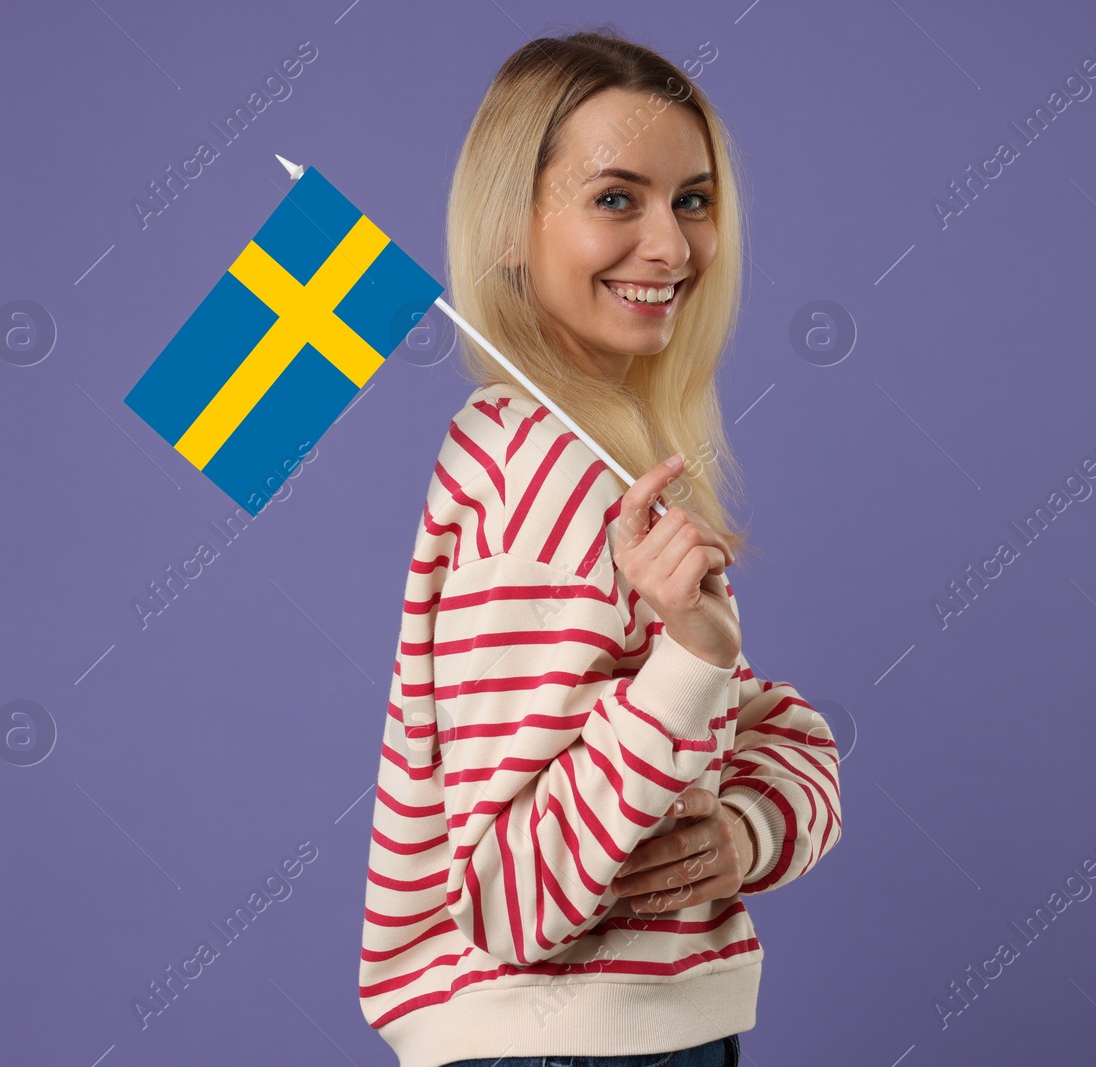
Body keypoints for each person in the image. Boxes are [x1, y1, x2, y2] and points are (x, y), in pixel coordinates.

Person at [358, 27, 843, 1067]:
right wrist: (691, 661)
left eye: (692, 199)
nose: (670, 247)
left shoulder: (601, 457)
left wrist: (743, 829)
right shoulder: (542, 474)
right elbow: (509, 898)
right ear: (510, 224)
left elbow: (782, 733)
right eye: (615, 198)